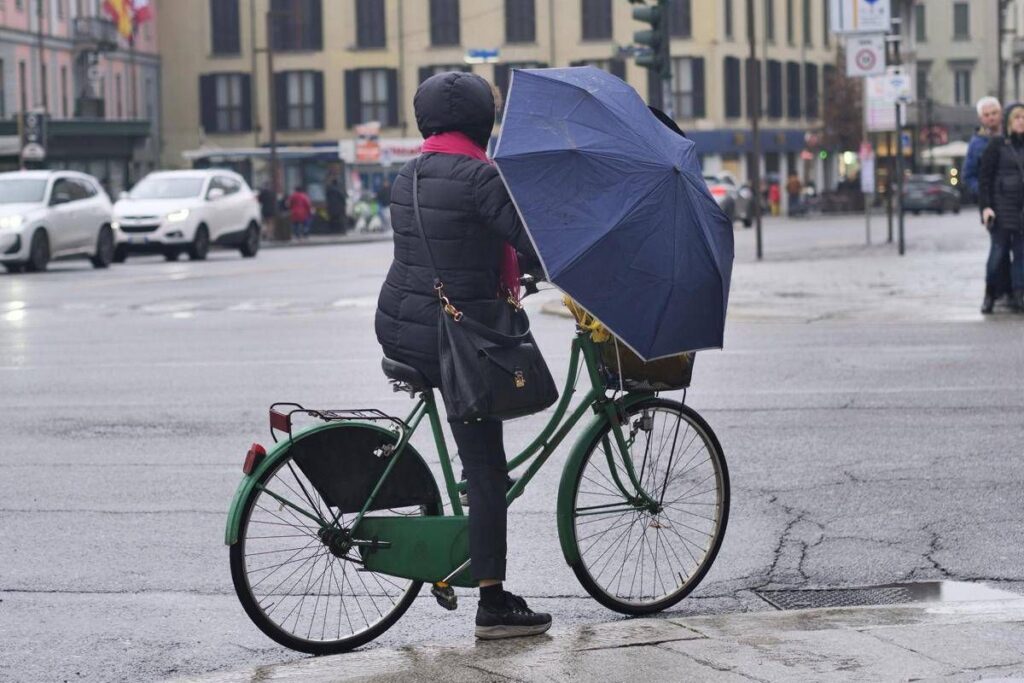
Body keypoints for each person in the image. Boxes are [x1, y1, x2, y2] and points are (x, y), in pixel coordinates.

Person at [374, 71, 551, 640]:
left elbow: (448, 249)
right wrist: (542, 270)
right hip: (455, 340)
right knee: (487, 469)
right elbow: (527, 241)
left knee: (474, 456)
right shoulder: (481, 176)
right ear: (484, 122)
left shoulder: (408, 174)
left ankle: (463, 536)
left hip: (402, 328)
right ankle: (494, 603)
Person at [964, 96, 1013, 309]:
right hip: (992, 205)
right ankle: (993, 292)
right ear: (980, 118)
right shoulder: (977, 143)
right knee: (999, 248)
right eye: (987, 114)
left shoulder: (1012, 136)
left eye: (994, 113)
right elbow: (969, 175)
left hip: (1014, 200)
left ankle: (1011, 291)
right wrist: (984, 195)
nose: (991, 118)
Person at [978, 102, 1024, 313]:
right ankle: (989, 294)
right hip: (1002, 209)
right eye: (1017, 117)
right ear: (1009, 121)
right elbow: (984, 179)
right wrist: (986, 207)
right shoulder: (997, 145)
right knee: (998, 254)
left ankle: (1018, 294)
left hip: (1021, 209)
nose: (1021, 121)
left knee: (1021, 256)